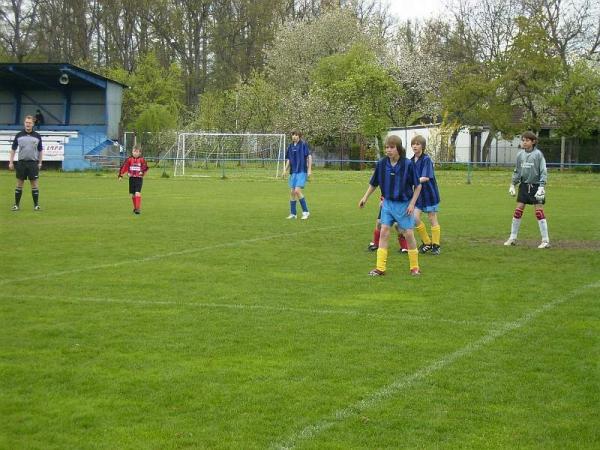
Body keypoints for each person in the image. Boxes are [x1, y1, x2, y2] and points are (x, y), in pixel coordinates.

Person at [359, 135, 422, 276]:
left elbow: (418, 186)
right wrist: (365, 198)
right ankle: (380, 268)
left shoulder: (408, 164)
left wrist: (412, 204)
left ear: (398, 148)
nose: (388, 150)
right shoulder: (382, 164)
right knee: (384, 231)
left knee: (409, 234)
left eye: (392, 147)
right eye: (386, 147)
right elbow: (374, 183)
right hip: (387, 204)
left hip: (404, 205)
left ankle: (414, 267)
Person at [504, 131, 550, 248]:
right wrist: (512, 184)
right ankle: (512, 238)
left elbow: (543, 171)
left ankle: (545, 241)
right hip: (524, 186)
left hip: (536, 186)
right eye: (523, 140)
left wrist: (541, 186)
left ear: (533, 142)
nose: (524, 142)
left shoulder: (538, 154)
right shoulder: (520, 155)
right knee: (518, 210)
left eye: (527, 140)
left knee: (539, 212)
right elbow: (518, 171)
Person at [410, 135, 442, 255]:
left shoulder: (426, 159)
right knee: (414, 218)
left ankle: (436, 245)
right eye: (413, 144)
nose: (415, 146)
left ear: (422, 146)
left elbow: (426, 177)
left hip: (429, 194)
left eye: (418, 144)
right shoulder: (411, 161)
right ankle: (427, 242)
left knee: (432, 218)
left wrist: (413, 181)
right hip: (418, 195)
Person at [8, 115, 43, 211]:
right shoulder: (19, 135)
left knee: (34, 184)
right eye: (26, 122)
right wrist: (11, 162)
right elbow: (13, 149)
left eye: (30, 123)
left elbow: (40, 150)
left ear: (33, 124)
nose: (28, 124)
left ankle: (36, 205)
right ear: (24, 123)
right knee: (19, 184)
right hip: (21, 163)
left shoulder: (37, 136)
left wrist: (40, 163)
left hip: (33, 163)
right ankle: (16, 205)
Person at [283, 130, 312, 219]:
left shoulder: (303, 145)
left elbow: (309, 156)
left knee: (297, 191)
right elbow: (289, 159)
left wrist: (309, 169)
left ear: (299, 136)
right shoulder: (290, 146)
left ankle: (306, 211)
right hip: (293, 172)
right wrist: (285, 170)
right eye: (293, 135)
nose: (294, 136)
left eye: (296, 135)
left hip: (301, 171)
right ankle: (293, 214)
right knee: (292, 192)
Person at [118, 144, 149, 214]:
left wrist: (142, 172)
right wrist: (120, 175)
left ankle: (138, 208)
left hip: (139, 179)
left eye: (137, 152)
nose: (135, 153)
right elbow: (124, 167)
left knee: (137, 193)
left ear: (140, 153)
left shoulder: (142, 160)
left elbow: (146, 167)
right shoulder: (129, 159)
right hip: (131, 179)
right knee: (133, 194)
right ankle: (135, 208)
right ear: (132, 152)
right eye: (134, 151)